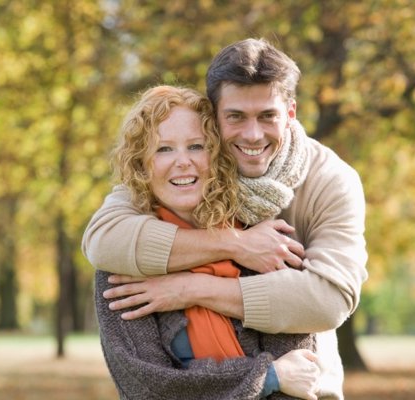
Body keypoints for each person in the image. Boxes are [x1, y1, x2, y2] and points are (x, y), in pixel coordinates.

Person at [84, 38, 368, 399]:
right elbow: (103, 240)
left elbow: (326, 301)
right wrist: (236, 245)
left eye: (267, 115)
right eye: (236, 117)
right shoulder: (177, 178)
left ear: (291, 113)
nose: (252, 135)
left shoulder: (329, 182)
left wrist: (190, 289)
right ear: (214, 118)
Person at [95, 84, 320, 399]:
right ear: (141, 165)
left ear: (217, 155)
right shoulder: (123, 263)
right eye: (164, 149)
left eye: (197, 146)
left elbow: (300, 369)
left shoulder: (265, 244)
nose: (183, 161)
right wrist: (268, 376)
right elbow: (149, 387)